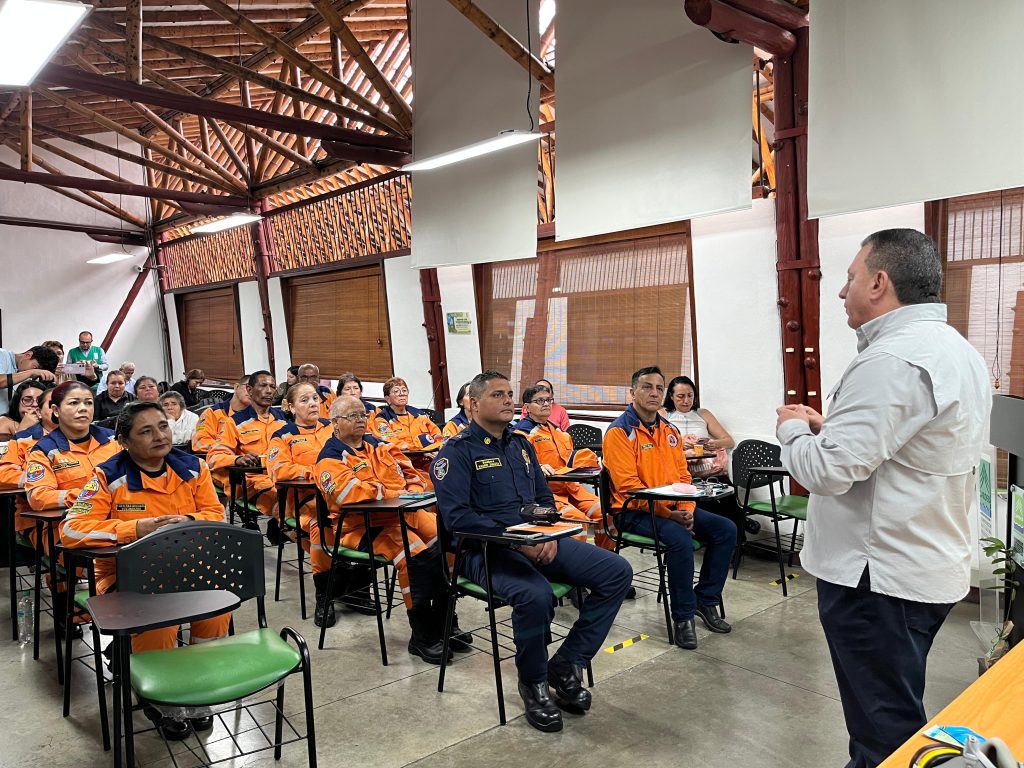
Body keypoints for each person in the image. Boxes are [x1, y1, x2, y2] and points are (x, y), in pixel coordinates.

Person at [775, 229, 992, 768]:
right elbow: (914, 445)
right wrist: (836, 427)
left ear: (879, 281)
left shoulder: (892, 359)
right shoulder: (954, 350)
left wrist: (794, 432)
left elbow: (828, 472)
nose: (841, 291)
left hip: (876, 578)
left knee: (883, 730)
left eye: (849, 278)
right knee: (889, 707)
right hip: (921, 563)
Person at [433, 371, 632, 733]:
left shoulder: (521, 445)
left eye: (510, 393)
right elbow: (457, 518)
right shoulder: (456, 452)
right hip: (484, 550)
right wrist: (518, 542)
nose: (509, 400)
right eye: (498, 395)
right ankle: (534, 682)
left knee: (615, 571)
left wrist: (547, 533)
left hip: (535, 541)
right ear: (474, 404)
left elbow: (543, 500)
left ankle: (567, 662)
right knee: (535, 594)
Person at [60, 401, 229, 741]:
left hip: (188, 570)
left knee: (214, 613)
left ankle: (198, 687)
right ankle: (160, 697)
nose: (159, 436)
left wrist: (191, 520)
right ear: (123, 441)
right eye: (146, 431)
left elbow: (217, 513)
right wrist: (135, 528)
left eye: (163, 426)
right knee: (159, 620)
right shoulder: (107, 476)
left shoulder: (194, 468)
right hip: (127, 578)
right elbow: (72, 529)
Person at [316, 394, 468, 662]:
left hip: (404, 512)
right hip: (360, 526)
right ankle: (422, 634)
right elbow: (350, 494)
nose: (361, 420)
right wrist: (394, 491)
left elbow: (413, 475)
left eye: (363, 414)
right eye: (353, 416)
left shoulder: (380, 445)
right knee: (414, 555)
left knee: (450, 543)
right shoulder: (328, 459)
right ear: (335, 423)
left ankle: (446, 621)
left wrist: (407, 489)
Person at [603, 366, 737, 651]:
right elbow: (630, 489)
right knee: (679, 539)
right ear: (632, 393)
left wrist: (687, 508)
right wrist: (669, 514)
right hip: (633, 511)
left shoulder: (670, 431)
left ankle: (706, 599)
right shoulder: (619, 433)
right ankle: (683, 617)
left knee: (726, 529)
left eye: (659, 388)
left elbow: (684, 477)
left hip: (675, 508)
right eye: (647, 387)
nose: (654, 393)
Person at [266, 382, 333, 621]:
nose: (313, 403)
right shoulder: (284, 436)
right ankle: (325, 595)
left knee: (369, 519)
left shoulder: (332, 428)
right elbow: (278, 471)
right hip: (304, 502)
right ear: (290, 407)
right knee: (320, 525)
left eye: (315, 398)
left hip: (341, 497)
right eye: (304, 400)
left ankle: (359, 587)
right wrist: (315, 472)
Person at [513, 385, 610, 549]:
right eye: (540, 401)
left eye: (548, 400)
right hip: (549, 494)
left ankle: (606, 556)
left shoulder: (559, 432)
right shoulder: (521, 434)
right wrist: (538, 466)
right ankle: (575, 568)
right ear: (526, 407)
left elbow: (570, 459)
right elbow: (519, 467)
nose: (546, 404)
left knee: (606, 512)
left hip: (572, 489)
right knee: (577, 521)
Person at [207, 370, 287, 530]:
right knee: (288, 505)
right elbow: (213, 457)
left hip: (282, 478)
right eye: (263, 385)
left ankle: (282, 528)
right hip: (251, 481)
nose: (269, 391)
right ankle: (284, 527)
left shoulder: (283, 420)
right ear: (249, 390)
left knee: (309, 501)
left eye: (272, 386)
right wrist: (236, 459)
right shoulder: (234, 422)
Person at [0, 387, 57, 536]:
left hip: (81, 512)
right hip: (36, 517)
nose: (32, 404)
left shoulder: (85, 436)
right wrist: (42, 478)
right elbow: (3, 475)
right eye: (27, 399)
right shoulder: (20, 438)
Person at [662, 375, 734, 479]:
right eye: (680, 396)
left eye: (690, 395)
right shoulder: (663, 415)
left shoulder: (703, 413)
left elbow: (729, 441)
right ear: (671, 396)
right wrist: (679, 444)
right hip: (676, 470)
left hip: (705, 470)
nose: (686, 401)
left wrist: (714, 444)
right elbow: (654, 445)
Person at [369, 376, 442, 451]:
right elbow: (392, 444)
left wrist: (433, 449)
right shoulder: (382, 420)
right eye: (396, 391)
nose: (402, 394)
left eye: (404, 390)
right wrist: (421, 450)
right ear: (387, 398)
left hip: (430, 457)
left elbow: (438, 436)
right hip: (403, 460)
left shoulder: (420, 415)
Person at [191, 374, 250, 455]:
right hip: (222, 463)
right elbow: (200, 442)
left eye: (256, 390)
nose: (251, 392)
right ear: (236, 387)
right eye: (248, 387)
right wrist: (229, 449)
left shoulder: (258, 416)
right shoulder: (212, 413)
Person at [1, 345, 59, 414]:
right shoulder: (2, 355)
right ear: (28, 355)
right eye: (35, 367)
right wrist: (31, 372)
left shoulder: (27, 374)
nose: (35, 375)